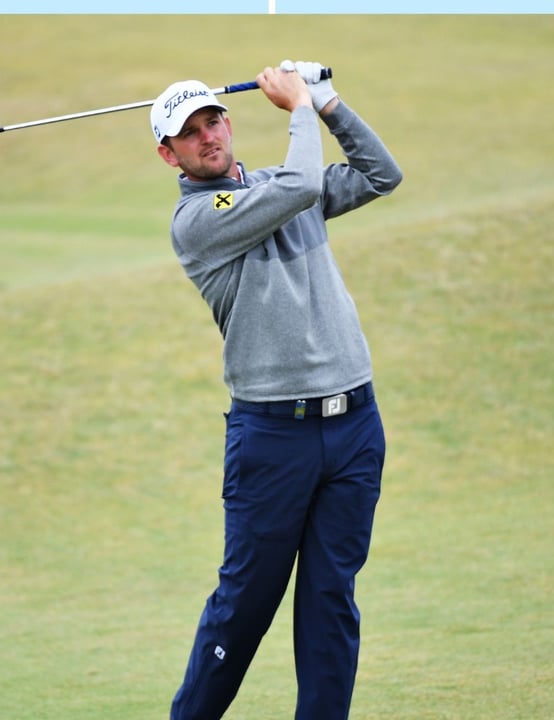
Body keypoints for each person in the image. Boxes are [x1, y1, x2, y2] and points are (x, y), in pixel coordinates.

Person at [150, 60, 402, 720]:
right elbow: (296, 188)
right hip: (273, 438)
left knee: (330, 601)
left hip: (353, 426)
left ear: (229, 122)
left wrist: (327, 102)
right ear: (167, 152)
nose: (208, 135)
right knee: (243, 609)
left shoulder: (279, 183)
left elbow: (382, 174)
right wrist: (296, 108)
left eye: (213, 119)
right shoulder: (197, 222)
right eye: (189, 131)